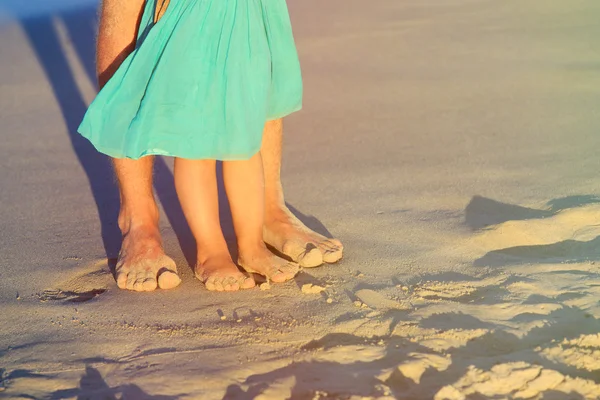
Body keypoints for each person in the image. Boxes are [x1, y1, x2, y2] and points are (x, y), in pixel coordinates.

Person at [86, 0, 344, 291]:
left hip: (243, 16)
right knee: (196, 141)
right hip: (192, 17)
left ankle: (252, 244)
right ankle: (210, 248)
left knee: (244, 139)